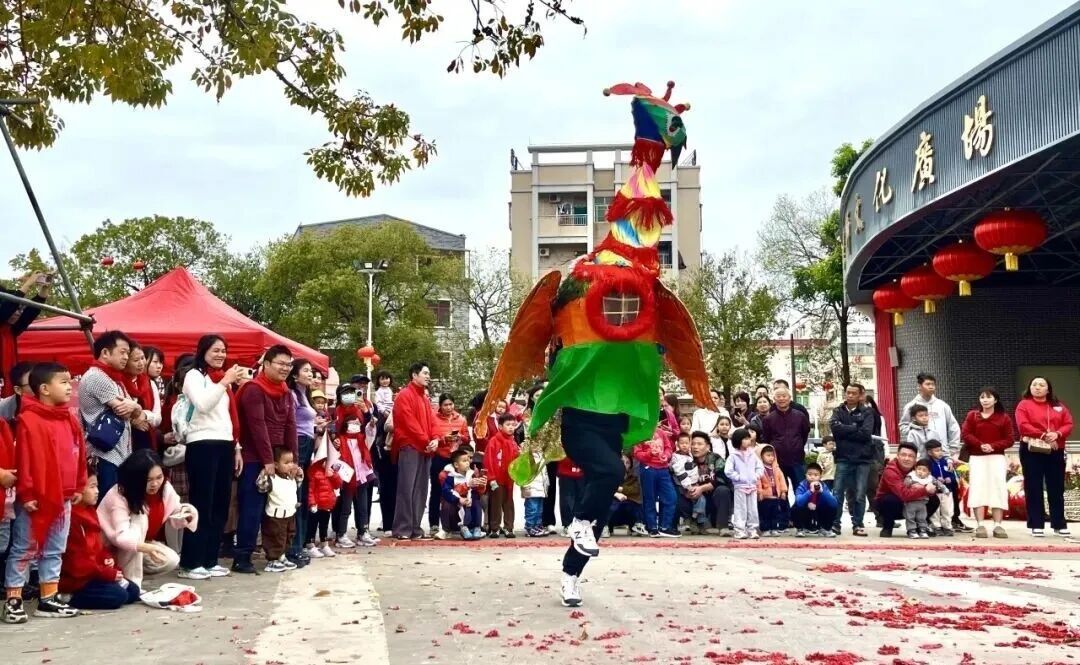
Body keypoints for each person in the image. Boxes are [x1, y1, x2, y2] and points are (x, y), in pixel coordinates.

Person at [3, 362, 85, 623]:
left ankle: (48, 598)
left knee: (54, 548)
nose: (70, 387)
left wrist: (79, 485)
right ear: (44, 389)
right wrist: (27, 494)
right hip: (36, 497)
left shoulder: (69, 418)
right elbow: (25, 459)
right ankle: (13, 600)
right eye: (64, 382)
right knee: (24, 548)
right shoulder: (28, 419)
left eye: (70, 381)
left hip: (64, 496)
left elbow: (78, 454)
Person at [179, 334, 242, 581]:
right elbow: (203, 405)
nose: (220, 355)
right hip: (202, 443)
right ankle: (191, 562)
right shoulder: (194, 376)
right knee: (201, 504)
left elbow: (228, 417)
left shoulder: (221, 381)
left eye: (224, 350)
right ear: (203, 351)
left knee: (220, 505)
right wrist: (225, 382)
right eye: (216, 350)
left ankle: (210, 559)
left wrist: (236, 448)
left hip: (224, 443)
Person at [234, 346, 298, 573]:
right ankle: (242, 557)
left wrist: (294, 461)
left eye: (289, 365)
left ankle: (277, 554)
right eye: (281, 363)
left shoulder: (286, 391)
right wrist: (268, 461)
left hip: (278, 461)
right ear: (267, 364)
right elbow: (257, 426)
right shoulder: (253, 389)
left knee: (278, 510)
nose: (285, 368)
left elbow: (291, 425)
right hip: (255, 459)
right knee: (252, 509)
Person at [97, 450, 195, 587]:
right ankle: (131, 583)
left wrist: (187, 513)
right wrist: (145, 547)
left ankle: (130, 576)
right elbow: (122, 537)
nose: (155, 484)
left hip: (141, 543)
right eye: (148, 480)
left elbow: (176, 511)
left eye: (159, 477)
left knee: (170, 559)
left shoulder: (165, 488)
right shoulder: (119, 494)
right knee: (140, 518)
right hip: (108, 549)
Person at [59, 472, 142, 610]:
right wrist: (104, 572)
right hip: (77, 579)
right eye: (92, 487)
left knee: (133, 591)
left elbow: (98, 547)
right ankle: (68, 596)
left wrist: (107, 559)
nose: (97, 491)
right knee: (118, 595)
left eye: (97, 486)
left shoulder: (90, 511)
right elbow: (76, 563)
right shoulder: (71, 518)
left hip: (94, 571)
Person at [897, 373, 966, 533]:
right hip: (922, 460)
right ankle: (929, 522)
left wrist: (952, 451)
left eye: (933, 384)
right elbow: (903, 426)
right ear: (919, 386)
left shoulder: (942, 406)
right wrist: (915, 428)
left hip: (942, 456)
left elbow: (953, 427)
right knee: (927, 489)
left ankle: (953, 519)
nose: (931, 387)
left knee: (950, 486)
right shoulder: (911, 406)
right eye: (928, 384)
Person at [79, 331, 138, 499]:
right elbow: (124, 410)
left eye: (128, 353)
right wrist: (136, 407)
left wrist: (135, 407)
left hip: (117, 454)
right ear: (105, 352)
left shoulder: (114, 379)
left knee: (116, 503)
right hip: (104, 454)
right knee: (107, 504)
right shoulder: (97, 376)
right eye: (122, 352)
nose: (126, 357)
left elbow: (135, 412)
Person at [1015, 377, 1073, 538]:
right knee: (1033, 486)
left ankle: (1059, 524)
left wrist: (1057, 434)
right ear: (1029, 388)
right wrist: (1044, 436)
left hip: (1055, 450)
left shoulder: (1058, 406)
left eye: (1042, 385)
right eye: (1034, 384)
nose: (1037, 387)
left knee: (1056, 487)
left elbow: (1068, 424)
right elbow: (1023, 426)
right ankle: (1036, 524)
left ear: (1048, 389)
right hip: (1031, 450)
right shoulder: (1024, 405)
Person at [391, 362, 440, 541]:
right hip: (410, 446)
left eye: (429, 373)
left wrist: (435, 438)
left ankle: (415, 527)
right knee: (406, 488)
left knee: (420, 490)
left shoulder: (424, 397)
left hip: (425, 448)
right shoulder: (404, 395)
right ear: (414, 375)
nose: (428, 376)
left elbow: (433, 421)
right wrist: (427, 440)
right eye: (425, 373)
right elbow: (408, 422)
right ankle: (403, 528)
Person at [961, 387, 1014, 539]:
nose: (985, 400)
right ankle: (980, 524)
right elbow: (966, 434)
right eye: (982, 397)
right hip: (977, 458)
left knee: (998, 488)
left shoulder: (1004, 418)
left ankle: (998, 525)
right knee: (978, 488)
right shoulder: (972, 415)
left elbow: (1009, 439)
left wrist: (993, 446)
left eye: (988, 397)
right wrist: (980, 445)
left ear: (995, 400)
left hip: (996, 458)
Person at [829, 384, 875, 537]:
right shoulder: (838, 411)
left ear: (860, 395)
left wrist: (845, 429)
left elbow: (866, 433)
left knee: (860, 493)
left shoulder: (867, 412)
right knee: (838, 492)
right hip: (843, 457)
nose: (850, 395)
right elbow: (835, 429)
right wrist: (855, 427)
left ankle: (858, 524)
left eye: (854, 393)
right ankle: (835, 524)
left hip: (862, 459)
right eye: (848, 392)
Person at [286, 358, 320, 564]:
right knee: (296, 496)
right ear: (295, 374)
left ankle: (300, 545)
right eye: (306, 371)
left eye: (311, 371)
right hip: (298, 443)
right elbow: (290, 423)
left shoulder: (304, 394)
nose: (310, 374)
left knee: (305, 495)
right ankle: (293, 548)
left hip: (307, 443)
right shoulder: (292, 394)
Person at [874, 442, 939, 538]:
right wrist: (924, 490)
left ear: (915, 459)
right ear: (897, 456)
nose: (907, 458)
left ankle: (920, 526)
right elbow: (903, 494)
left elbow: (931, 483)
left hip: (912, 503)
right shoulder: (890, 471)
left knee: (934, 499)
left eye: (911, 456)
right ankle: (887, 526)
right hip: (892, 505)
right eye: (903, 455)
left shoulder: (919, 468)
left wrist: (932, 489)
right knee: (890, 499)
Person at [0, 272, 49, 398]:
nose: (17, 313)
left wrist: (44, 288)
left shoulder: (10, 331)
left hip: (7, 391)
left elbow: (31, 312)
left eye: (19, 310)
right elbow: (6, 310)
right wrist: (28, 284)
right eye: (16, 309)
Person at [335, 412, 379, 547]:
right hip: (347, 478)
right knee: (345, 508)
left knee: (363, 507)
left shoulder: (362, 439)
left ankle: (363, 532)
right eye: (352, 423)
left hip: (362, 477)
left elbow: (370, 434)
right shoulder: (340, 439)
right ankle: (341, 534)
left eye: (357, 423)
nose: (355, 425)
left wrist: (371, 425)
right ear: (346, 425)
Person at [430, 394, 469, 539]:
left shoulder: (461, 419)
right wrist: (443, 439)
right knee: (436, 490)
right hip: (439, 458)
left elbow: (467, 438)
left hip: (455, 460)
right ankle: (434, 523)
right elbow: (431, 436)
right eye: (445, 405)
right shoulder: (434, 418)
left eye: (451, 404)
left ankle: (454, 524)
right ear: (440, 406)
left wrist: (460, 437)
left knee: (457, 490)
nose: (448, 407)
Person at [677, 432, 731, 535]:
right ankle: (690, 521)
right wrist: (688, 490)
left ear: (708, 447)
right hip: (693, 497)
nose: (695, 447)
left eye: (699, 444)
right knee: (675, 492)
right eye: (693, 444)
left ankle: (723, 527)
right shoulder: (686, 460)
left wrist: (701, 488)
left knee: (723, 490)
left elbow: (722, 479)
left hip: (712, 498)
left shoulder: (716, 458)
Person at [760, 387, 810, 490]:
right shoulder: (768, 419)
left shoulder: (800, 416)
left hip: (797, 459)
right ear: (774, 399)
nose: (781, 399)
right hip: (777, 461)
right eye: (778, 396)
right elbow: (766, 439)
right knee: (781, 491)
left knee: (801, 490)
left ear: (790, 398)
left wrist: (798, 445)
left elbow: (804, 434)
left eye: (784, 396)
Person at [260, 447, 301, 573]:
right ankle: (272, 560)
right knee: (275, 537)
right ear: (276, 465)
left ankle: (282, 556)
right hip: (275, 516)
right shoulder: (272, 478)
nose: (290, 465)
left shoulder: (291, 478)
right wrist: (264, 473)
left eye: (292, 462)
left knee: (288, 536)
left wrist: (299, 473)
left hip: (290, 514)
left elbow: (299, 483)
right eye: (286, 463)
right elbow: (261, 487)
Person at [633, 429, 678, 538]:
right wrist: (649, 453)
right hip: (648, 469)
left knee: (671, 497)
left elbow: (668, 447)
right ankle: (652, 527)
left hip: (663, 469)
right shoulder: (640, 433)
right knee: (650, 498)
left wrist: (666, 456)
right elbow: (637, 453)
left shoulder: (661, 432)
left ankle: (665, 527)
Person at [304, 436, 342, 558]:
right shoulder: (314, 472)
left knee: (324, 525)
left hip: (327, 505)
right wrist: (312, 503)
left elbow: (338, 484)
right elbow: (310, 490)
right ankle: (310, 544)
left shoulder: (330, 472)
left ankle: (324, 544)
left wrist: (333, 475)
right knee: (312, 525)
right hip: (316, 505)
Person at [484, 413, 519, 538]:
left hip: (509, 479)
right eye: (508, 425)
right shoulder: (494, 441)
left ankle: (509, 527)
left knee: (508, 503)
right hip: (497, 479)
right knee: (496, 503)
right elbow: (488, 460)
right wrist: (491, 478)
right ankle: (495, 528)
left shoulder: (513, 442)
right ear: (500, 426)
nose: (511, 427)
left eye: (513, 425)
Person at [724, 428, 763, 540]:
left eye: (748, 438)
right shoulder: (733, 456)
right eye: (745, 439)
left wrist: (756, 476)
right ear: (738, 440)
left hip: (752, 486)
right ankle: (739, 530)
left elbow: (760, 467)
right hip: (740, 487)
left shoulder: (752, 454)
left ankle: (752, 530)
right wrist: (739, 478)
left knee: (753, 509)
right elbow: (728, 471)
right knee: (740, 509)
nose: (748, 441)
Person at [440, 449, 485, 540]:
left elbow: (478, 492)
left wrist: (481, 485)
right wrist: (459, 499)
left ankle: (476, 527)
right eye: (464, 461)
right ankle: (448, 529)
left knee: (476, 500)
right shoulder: (449, 476)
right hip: (457, 505)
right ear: (456, 465)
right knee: (446, 502)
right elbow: (446, 491)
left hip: (468, 503)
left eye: (468, 460)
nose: (468, 463)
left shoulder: (472, 474)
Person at [125, 344, 160, 454]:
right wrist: (132, 422)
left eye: (142, 358)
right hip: (124, 441)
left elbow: (158, 418)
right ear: (125, 362)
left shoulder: (150, 384)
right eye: (136, 360)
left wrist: (145, 415)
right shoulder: (117, 383)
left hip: (145, 440)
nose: (141, 363)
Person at [903, 460, 946, 539]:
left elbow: (938, 483)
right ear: (915, 469)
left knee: (922, 517)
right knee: (910, 517)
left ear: (928, 472)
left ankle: (922, 530)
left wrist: (944, 489)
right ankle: (911, 530)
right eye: (919, 469)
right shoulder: (911, 477)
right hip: (911, 502)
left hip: (922, 503)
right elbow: (905, 485)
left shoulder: (930, 478)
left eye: (924, 470)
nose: (920, 472)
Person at [792, 463, 837, 537]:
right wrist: (810, 491)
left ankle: (825, 529)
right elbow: (799, 502)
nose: (812, 477)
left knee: (832, 507)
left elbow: (834, 503)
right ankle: (800, 528)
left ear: (820, 476)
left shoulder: (823, 486)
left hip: (819, 511)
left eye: (816, 475)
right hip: (806, 511)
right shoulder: (802, 485)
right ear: (805, 475)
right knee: (795, 507)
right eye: (809, 474)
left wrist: (822, 492)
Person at [924, 440, 958, 536]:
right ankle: (936, 526)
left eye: (941, 450)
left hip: (947, 491)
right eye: (937, 451)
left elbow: (952, 474)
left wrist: (950, 479)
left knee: (947, 509)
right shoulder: (928, 463)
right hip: (936, 491)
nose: (940, 453)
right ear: (929, 452)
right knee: (936, 510)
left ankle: (947, 526)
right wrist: (936, 479)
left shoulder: (946, 462)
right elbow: (927, 476)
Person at [607, 453, 645, 536]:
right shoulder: (609, 476)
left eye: (627, 463)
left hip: (628, 506)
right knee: (611, 503)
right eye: (622, 462)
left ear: (630, 465)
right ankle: (605, 527)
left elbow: (634, 490)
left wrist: (619, 489)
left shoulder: (633, 477)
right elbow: (604, 488)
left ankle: (636, 526)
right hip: (614, 511)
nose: (624, 465)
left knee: (636, 506)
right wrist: (616, 494)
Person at [756, 444, 789, 537]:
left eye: (772, 455)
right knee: (765, 514)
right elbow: (758, 481)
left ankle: (774, 528)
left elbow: (782, 480)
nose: (771, 458)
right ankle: (765, 529)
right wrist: (759, 492)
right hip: (765, 497)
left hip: (775, 496)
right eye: (768, 455)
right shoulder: (760, 469)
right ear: (761, 456)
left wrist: (783, 491)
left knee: (775, 513)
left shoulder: (777, 468)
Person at [557, 455, 585, 537]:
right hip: (566, 471)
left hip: (584, 470)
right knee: (566, 500)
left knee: (582, 499)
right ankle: (568, 525)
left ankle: (581, 525)